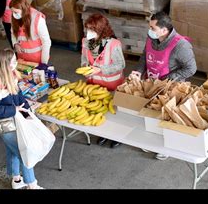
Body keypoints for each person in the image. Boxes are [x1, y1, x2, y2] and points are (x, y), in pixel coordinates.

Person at [131, 11, 196, 161]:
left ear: (165, 30)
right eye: (150, 27)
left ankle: (167, 148)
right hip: (151, 83)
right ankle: (153, 142)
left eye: (153, 28)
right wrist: (138, 72)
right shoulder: (151, 38)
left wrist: (168, 79)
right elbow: (144, 56)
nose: (149, 31)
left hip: (172, 88)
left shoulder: (181, 45)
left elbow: (191, 69)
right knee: (152, 114)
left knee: (167, 118)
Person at [0, 48, 44, 189]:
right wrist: (14, 109)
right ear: (6, 64)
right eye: (13, 61)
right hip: (3, 123)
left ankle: (16, 180)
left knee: (13, 150)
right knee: (25, 152)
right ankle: (32, 185)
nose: (16, 63)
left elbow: (17, 95)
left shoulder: (11, 75)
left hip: (13, 119)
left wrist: (27, 108)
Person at [81, 13, 125, 149]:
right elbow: (83, 60)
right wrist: (86, 68)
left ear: (101, 30)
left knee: (114, 112)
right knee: (99, 110)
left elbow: (120, 65)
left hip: (112, 85)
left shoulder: (113, 44)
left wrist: (99, 69)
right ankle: (104, 134)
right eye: (87, 29)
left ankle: (118, 136)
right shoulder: (85, 42)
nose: (88, 32)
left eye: (92, 30)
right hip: (94, 85)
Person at [9, 0, 51, 64]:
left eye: (16, 12)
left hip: (36, 60)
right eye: (12, 12)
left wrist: (44, 63)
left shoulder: (38, 19)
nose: (14, 14)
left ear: (23, 9)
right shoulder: (15, 18)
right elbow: (13, 33)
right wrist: (15, 44)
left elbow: (46, 42)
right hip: (22, 58)